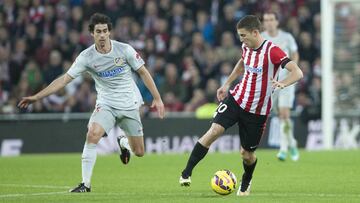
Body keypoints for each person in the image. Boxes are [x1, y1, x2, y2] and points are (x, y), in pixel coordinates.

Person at [18, 13, 165, 193]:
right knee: (93, 134)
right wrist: (36, 97)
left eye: (105, 31)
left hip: (129, 104)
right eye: (98, 31)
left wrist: (157, 98)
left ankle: (124, 143)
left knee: (140, 152)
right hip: (106, 104)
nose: (102, 35)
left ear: (110, 32)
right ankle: (85, 184)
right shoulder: (86, 57)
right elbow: (64, 80)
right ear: (92, 34)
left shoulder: (124, 50)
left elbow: (143, 72)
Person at [179, 15, 303, 196]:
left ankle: (246, 180)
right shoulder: (246, 46)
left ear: (255, 32)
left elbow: (297, 72)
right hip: (236, 99)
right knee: (214, 130)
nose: (241, 39)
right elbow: (242, 62)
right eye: (240, 35)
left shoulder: (272, 51)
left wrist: (284, 83)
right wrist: (227, 83)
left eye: (243, 35)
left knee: (247, 154)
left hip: (257, 112)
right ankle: (186, 172)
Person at [262, 12, 300, 161]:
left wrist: (293, 69)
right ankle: (293, 143)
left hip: (287, 81)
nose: (269, 23)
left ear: (277, 22)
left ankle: (283, 149)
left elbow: (295, 54)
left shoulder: (287, 37)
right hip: (269, 82)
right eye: (266, 20)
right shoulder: (261, 38)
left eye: (271, 19)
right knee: (278, 115)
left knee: (284, 114)